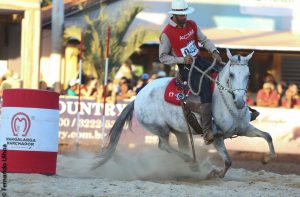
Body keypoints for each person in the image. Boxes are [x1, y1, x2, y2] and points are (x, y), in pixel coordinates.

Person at [159, 0, 223, 145]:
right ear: (174, 15)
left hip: (200, 60)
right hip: (186, 68)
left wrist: (214, 51)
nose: (184, 17)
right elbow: (163, 57)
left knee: (223, 75)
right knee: (206, 89)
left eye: (185, 14)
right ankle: (207, 132)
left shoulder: (192, 24)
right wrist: (181, 60)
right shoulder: (166, 34)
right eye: (181, 15)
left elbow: (204, 40)